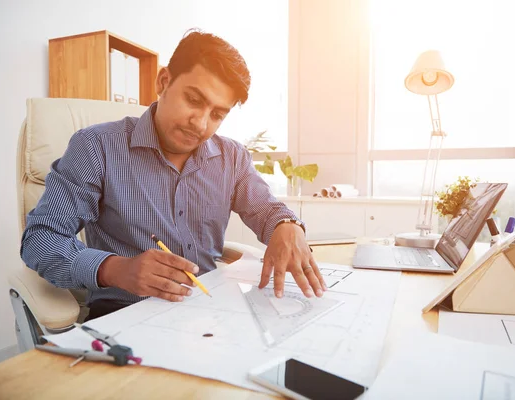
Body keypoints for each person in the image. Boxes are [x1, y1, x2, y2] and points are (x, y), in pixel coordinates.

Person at [20, 29, 326, 321]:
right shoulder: (96, 148)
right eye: (194, 100)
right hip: (125, 315)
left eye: (217, 114)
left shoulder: (231, 157)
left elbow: (267, 209)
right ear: (164, 81)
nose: (201, 123)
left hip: (209, 314)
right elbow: (40, 239)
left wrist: (287, 226)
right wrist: (115, 269)